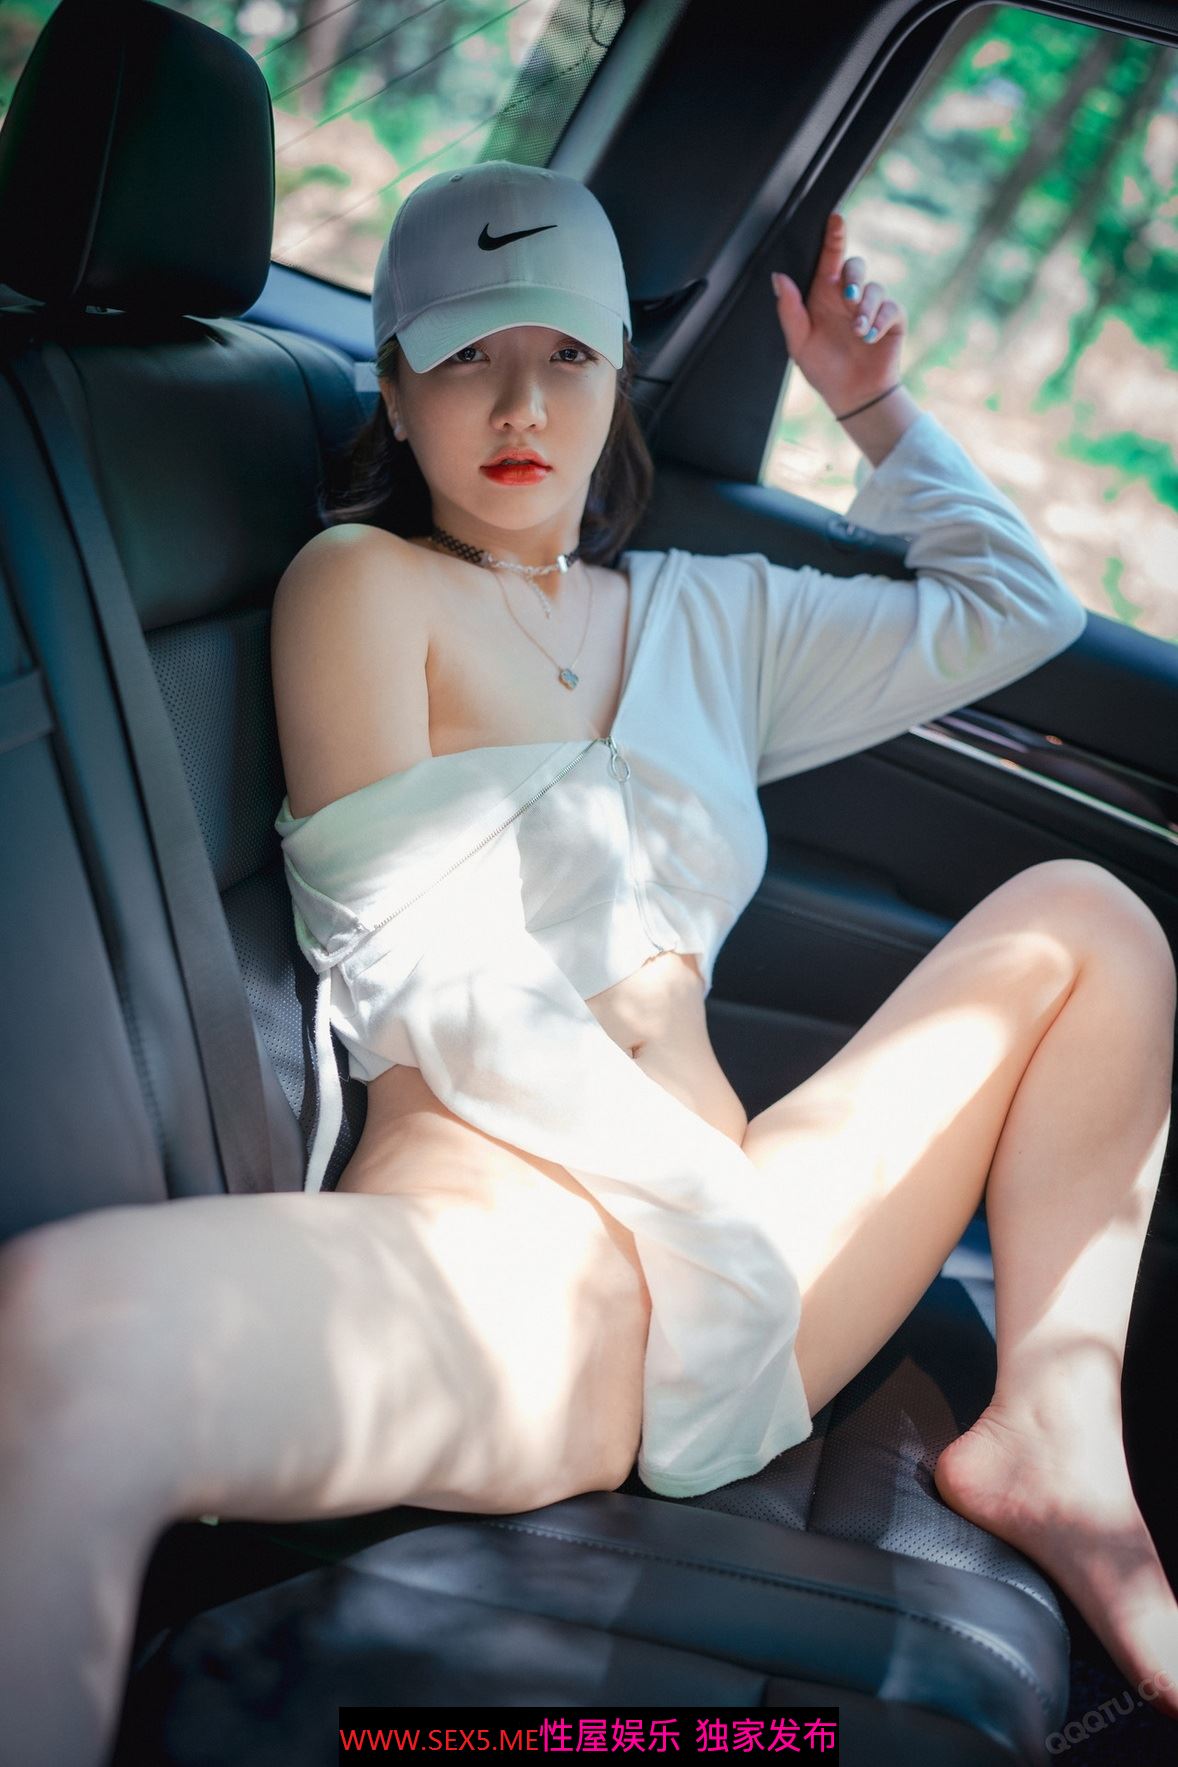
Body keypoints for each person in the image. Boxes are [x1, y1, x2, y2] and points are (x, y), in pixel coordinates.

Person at [0, 159, 1174, 1766]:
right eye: (466, 357)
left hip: (742, 1234)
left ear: (619, 373)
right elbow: (422, 962)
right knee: (62, 1336)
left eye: (562, 354)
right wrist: (701, 1233)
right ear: (396, 389)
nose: (518, 404)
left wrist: (871, 407)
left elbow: (1013, 610)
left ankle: (1054, 1434)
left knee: (1087, 916)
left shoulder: (712, 623)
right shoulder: (363, 585)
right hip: (501, 1268)